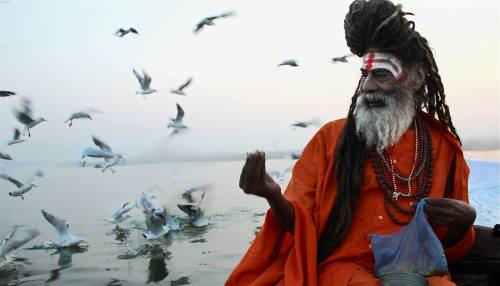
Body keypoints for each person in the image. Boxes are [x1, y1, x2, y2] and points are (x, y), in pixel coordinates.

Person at [226, 0, 477, 285]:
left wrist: (463, 222)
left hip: (418, 271)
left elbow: (452, 249)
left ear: (416, 77)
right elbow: (302, 227)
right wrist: (272, 195)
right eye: (364, 75)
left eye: (381, 74)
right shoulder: (329, 141)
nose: (368, 86)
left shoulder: (444, 147)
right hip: (342, 272)